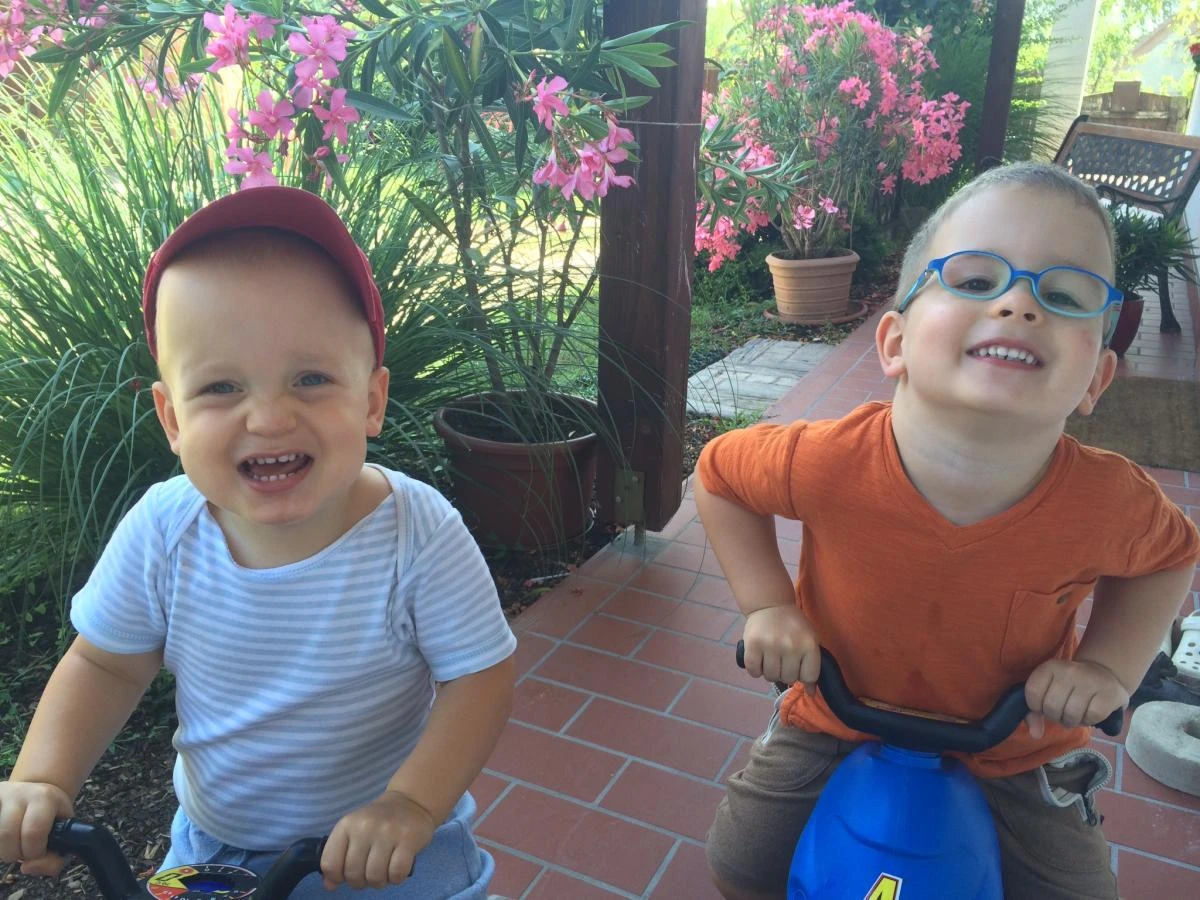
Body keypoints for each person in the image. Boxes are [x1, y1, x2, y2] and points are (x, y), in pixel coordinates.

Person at [696, 161, 1200, 900]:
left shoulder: (1108, 502)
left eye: (1065, 296)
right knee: (741, 864)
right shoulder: (827, 460)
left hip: (1016, 745)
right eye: (974, 280)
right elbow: (719, 476)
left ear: (1096, 379)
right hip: (835, 716)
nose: (1019, 305)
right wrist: (767, 604)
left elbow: (1170, 556)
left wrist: (1106, 670)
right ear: (895, 342)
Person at [0, 187, 517, 898]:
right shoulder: (165, 531)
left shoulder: (416, 533)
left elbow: (479, 677)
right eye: (220, 387)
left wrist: (413, 802)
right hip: (215, 846)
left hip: (390, 845)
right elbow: (105, 665)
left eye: (311, 378)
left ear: (371, 400)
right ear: (172, 419)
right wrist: (42, 777)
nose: (270, 418)